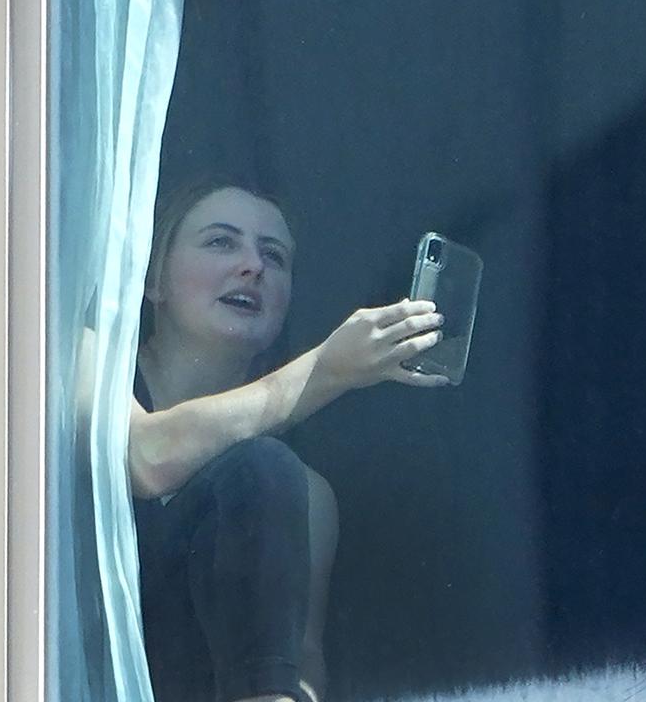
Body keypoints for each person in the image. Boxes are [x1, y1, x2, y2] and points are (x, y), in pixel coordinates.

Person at [83, 180, 448, 702]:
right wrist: (326, 371)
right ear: (153, 278)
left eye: (273, 256)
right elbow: (146, 455)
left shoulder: (303, 495)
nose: (252, 266)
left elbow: (299, 662)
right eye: (220, 242)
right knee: (260, 467)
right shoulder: (82, 361)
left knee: (268, 473)